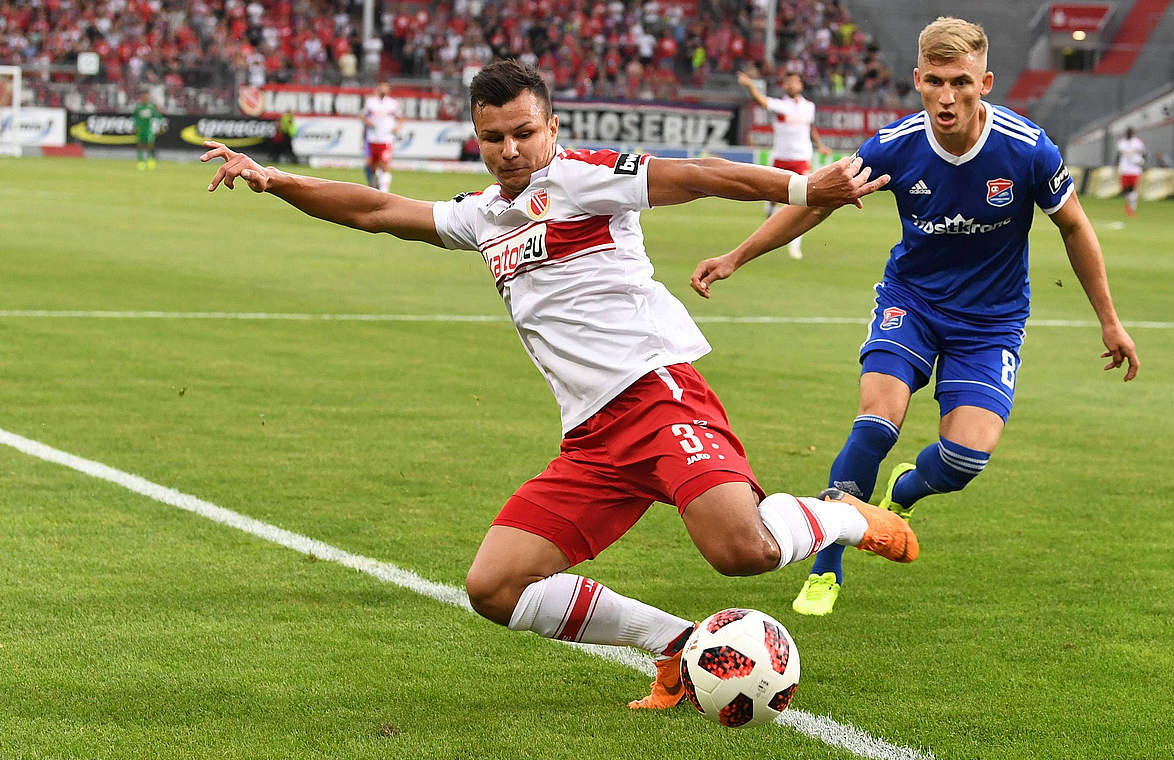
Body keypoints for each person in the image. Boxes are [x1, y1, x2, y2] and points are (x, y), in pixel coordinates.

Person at [199, 59, 911, 709]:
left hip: (657, 395)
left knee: (742, 552)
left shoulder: (584, 177)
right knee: (494, 588)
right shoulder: (483, 215)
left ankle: (848, 517)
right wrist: (277, 180)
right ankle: (674, 646)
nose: (509, 150)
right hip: (591, 437)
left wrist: (799, 186)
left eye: (523, 132)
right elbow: (378, 212)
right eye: (492, 138)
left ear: (552, 126)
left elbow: (694, 173)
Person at [692, 17, 1140, 616]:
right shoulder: (895, 146)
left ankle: (905, 490)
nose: (946, 97)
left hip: (991, 322)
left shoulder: (1029, 149)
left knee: (963, 461)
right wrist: (736, 255)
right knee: (877, 422)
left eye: (960, 82)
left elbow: (1075, 227)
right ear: (917, 80)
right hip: (913, 303)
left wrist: (1109, 320)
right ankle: (827, 566)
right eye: (934, 82)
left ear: (985, 81)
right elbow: (816, 204)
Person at [737, 68, 833, 260]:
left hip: (802, 158)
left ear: (800, 85)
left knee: (803, 201)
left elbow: (811, 127)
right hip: (781, 157)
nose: (791, 85)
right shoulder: (780, 105)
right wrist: (750, 86)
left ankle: (795, 243)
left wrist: (820, 145)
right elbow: (761, 101)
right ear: (784, 86)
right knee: (773, 199)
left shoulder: (809, 107)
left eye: (794, 82)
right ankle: (770, 223)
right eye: (788, 82)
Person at [362, 81, 405, 192]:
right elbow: (363, 116)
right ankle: (375, 186)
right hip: (373, 138)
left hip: (386, 139)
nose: (382, 89)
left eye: (385, 87)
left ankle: (384, 190)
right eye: (381, 87)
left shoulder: (392, 103)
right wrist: (368, 122)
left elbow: (401, 118)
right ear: (377, 89)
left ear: (388, 90)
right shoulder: (370, 102)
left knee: (385, 164)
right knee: (372, 166)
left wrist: (397, 127)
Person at [1116, 126, 1146, 217]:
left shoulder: (1138, 142)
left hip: (1135, 169)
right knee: (1125, 190)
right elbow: (1119, 155)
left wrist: (1142, 162)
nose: (1129, 134)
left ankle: (1131, 207)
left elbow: (1144, 154)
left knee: (1132, 189)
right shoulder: (1121, 143)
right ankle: (1129, 204)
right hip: (1124, 169)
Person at [131, 91, 162, 171]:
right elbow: (134, 118)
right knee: (140, 146)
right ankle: (140, 161)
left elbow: (158, 116)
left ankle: (150, 160)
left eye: (146, 97)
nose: (145, 98)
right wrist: (135, 126)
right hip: (140, 130)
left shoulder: (151, 107)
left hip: (148, 130)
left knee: (150, 145)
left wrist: (159, 124)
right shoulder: (138, 108)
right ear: (141, 98)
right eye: (144, 97)